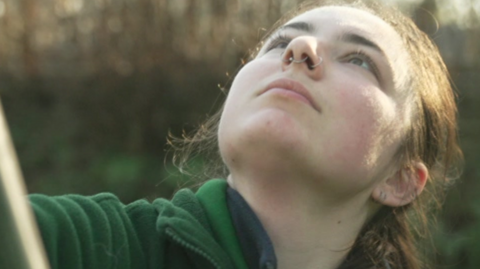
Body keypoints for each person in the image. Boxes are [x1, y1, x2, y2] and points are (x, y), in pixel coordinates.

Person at [28, 0, 462, 268]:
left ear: (399, 179)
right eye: (278, 45)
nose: (299, 51)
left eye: (360, 60)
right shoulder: (95, 245)